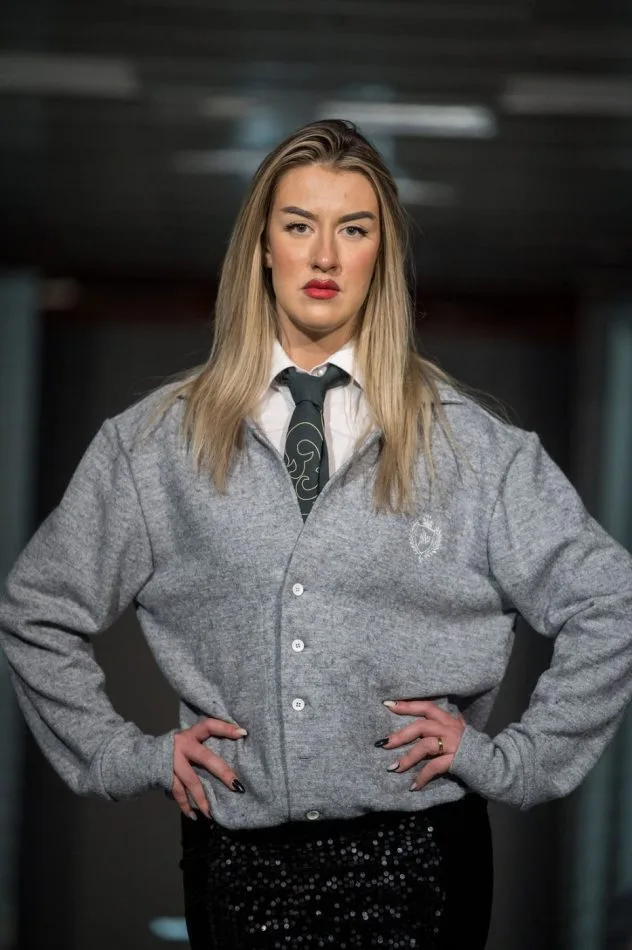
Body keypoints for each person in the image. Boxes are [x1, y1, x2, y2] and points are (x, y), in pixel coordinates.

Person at [1, 118, 632, 950]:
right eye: (300, 226)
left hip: (422, 864)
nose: (325, 256)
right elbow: (38, 608)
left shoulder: (473, 450)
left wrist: (515, 761)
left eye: (354, 230)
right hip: (237, 864)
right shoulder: (155, 445)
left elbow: (610, 602)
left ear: (383, 256)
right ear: (263, 248)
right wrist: (127, 756)